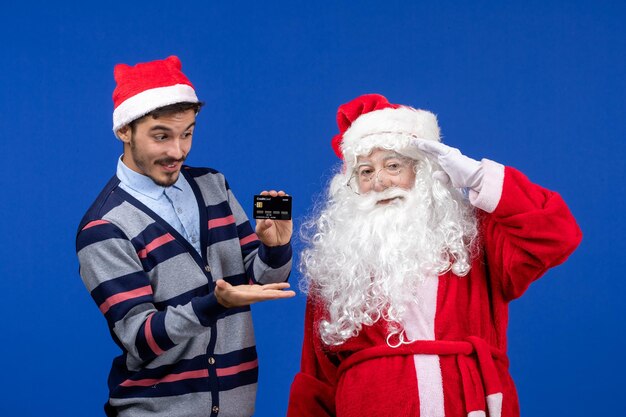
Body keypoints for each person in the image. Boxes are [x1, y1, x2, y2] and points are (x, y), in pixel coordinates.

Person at [287, 94, 582, 417]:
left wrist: (478, 177)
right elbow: (315, 380)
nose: (380, 181)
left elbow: (558, 234)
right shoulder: (339, 259)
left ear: (423, 172)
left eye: (393, 165)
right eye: (366, 171)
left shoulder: (475, 235)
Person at [76, 55, 295, 417]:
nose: (177, 151)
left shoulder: (214, 186)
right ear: (124, 131)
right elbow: (140, 338)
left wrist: (274, 248)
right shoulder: (105, 227)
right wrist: (217, 303)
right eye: (161, 136)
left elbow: (262, 283)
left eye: (187, 133)